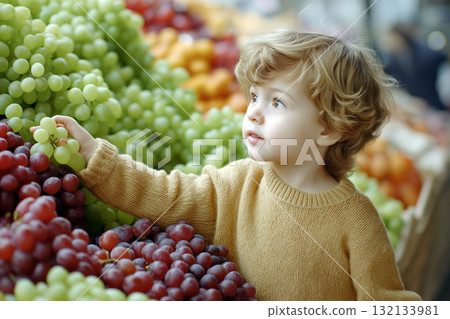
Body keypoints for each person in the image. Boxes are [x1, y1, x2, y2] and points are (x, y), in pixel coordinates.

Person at [33, 29, 422, 301]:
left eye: (277, 103)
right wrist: (95, 157)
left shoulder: (357, 221)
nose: (253, 113)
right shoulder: (238, 183)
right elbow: (166, 193)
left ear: (328, 128)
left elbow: (387, 303)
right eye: (254, 96)